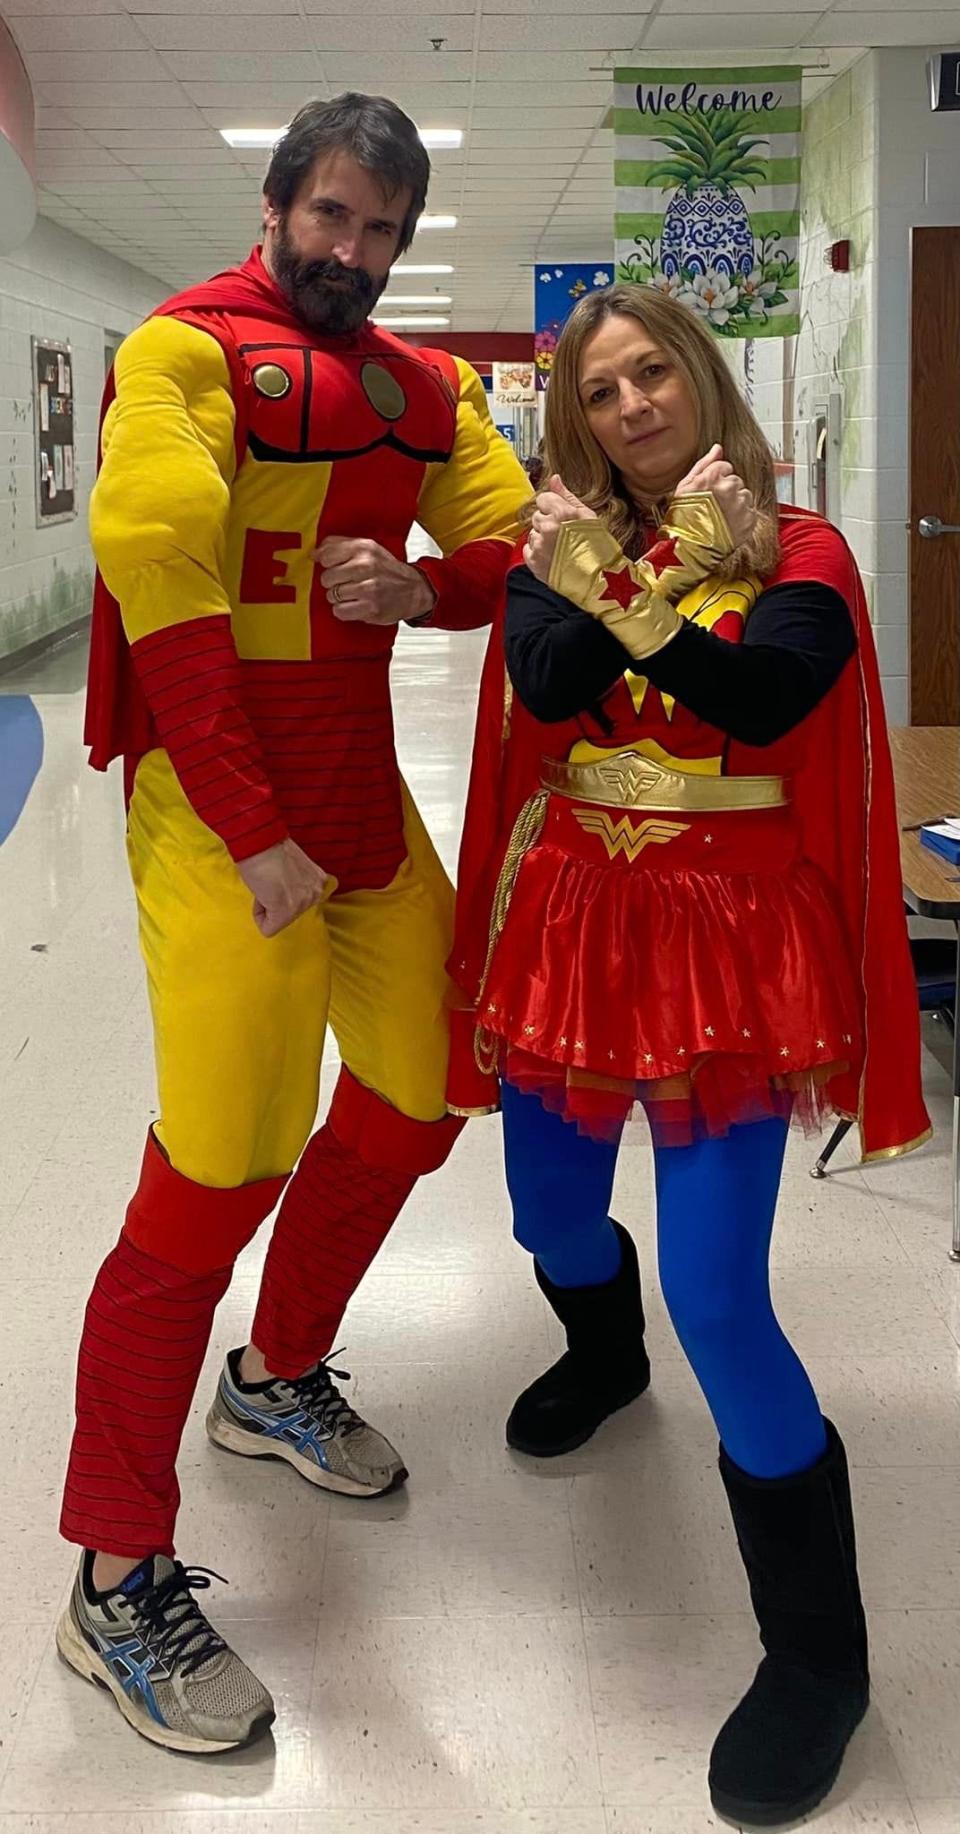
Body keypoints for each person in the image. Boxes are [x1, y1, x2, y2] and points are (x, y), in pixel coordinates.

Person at [57, 91, 529, 1753]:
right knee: (217, 1166)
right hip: (217, 807)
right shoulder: (183, 355)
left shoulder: (425, 387)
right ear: (276, 202)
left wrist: (432, 589)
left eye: (381, 229)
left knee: (415, 1102)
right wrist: (253, 833)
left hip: (359, 807)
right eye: (330, 215)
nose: (353, 251)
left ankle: (275, 1376)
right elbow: (156, 564)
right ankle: (113, 1572)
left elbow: (508, 538)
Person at [446, 284, 929, 1828]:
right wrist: (607, 574)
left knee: (719, 1292)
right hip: (580, 919)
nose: (633, 404)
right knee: (547, 1220)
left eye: (654, 372)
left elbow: (771, 691)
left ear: (702, 381)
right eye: (601, 390)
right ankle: (601, 1352)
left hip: (733, 943)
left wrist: (657, 590)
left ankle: (820, 1656)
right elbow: (544, 688)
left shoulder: (809, 553)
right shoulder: (553, 555)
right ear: (578, 419)